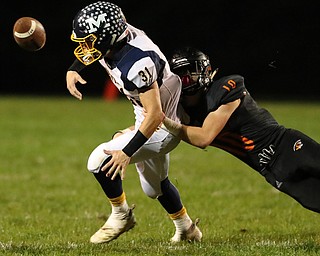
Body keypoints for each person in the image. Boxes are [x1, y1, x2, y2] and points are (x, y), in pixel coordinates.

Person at [66, 2, 201, 244]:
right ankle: (187, 229)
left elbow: (156, 115)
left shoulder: (137, 62)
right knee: (154, 188)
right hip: (149, 115)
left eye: (88, 41)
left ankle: (121, 215)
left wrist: (127, 152)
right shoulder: (117, 36)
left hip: (164, 126)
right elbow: (98, 47)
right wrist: (75, 68)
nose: (84, 47)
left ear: (106, 38)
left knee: (99, 159)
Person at [163, 46, 320, 214]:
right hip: (270, 170)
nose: (184, 79)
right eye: (179, 76)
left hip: (287, 146)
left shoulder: (225, 88)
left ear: (205, 70)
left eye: (188, 73)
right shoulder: (181, 112)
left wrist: (161, 119)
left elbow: (203, 138)